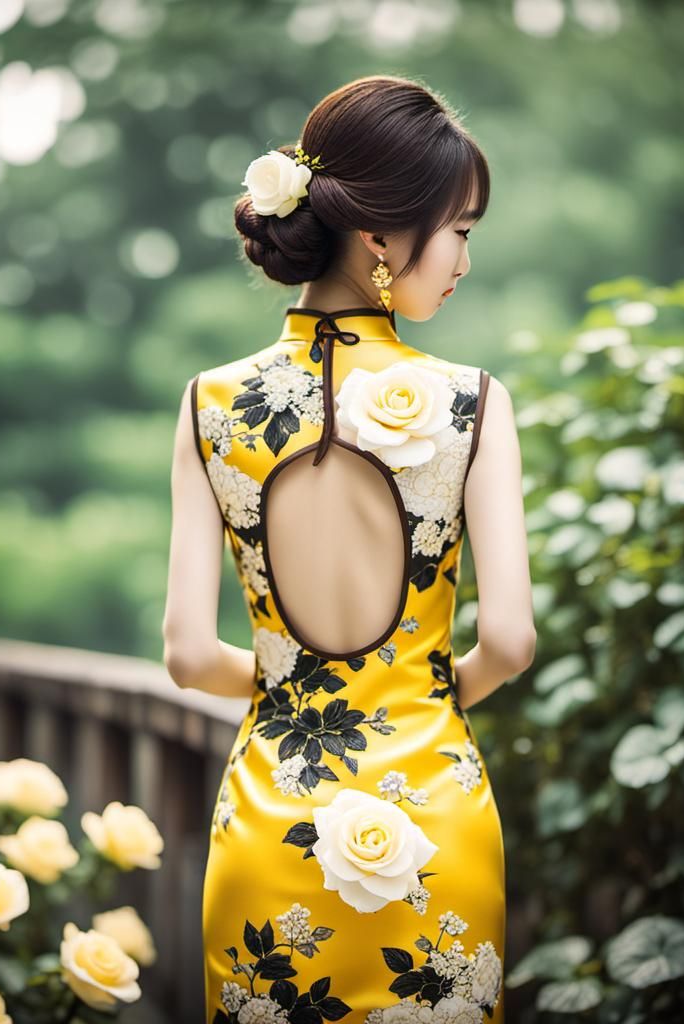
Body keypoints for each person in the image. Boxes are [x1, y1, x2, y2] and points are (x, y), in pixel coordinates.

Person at [163, 73, 535, 1024]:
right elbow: (510, 645)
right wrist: (409, 689)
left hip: (269, 828)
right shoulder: (473, 402)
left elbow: (189, 656)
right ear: (380, 236)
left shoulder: (211, 403)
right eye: (459, 229)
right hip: (434, 826)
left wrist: (300, 688)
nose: (461, 258)